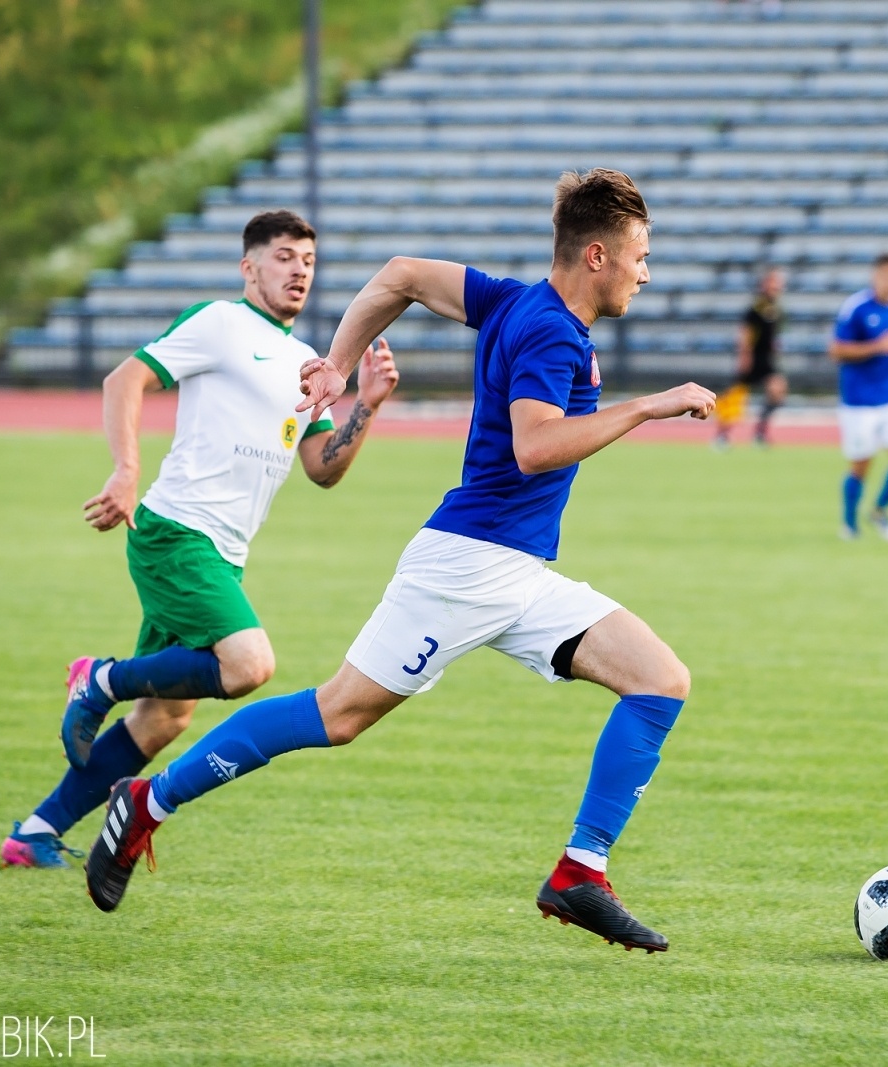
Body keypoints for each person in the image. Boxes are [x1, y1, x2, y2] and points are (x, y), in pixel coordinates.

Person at [81, 170, 716, 955]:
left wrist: (339, 364)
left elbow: (402, 276)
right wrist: (650, 405)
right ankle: (146, 801)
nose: (645, 272)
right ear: (596, 256)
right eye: (640, 256)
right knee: (335, 714)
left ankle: (580, 871)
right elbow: (535, 446)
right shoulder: (549, 329)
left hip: (517, 573)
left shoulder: (512, 299)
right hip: (462, 570)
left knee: (661, 680)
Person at [0, 210, 399, 869]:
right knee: (250, 664)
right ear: (249, 268)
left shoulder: (310, 364)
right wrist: (127, 469)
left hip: (221, 555)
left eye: (308, 259)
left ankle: (35, 831)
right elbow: (124, 378)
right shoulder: (219, 322)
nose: (299, 269)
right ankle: (100, 678)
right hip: (176, 533)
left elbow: (323, 467)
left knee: (164, 719)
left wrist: (368, 405)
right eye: (283, 256)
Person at [830, 253, 888, 542]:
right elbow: (837, 350)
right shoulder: (856, 307)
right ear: (876, 276)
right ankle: (849, 523)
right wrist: (874, 347)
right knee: (861, 464)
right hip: (859, 400)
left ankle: (879, 510)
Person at [713, 267, 787, 448]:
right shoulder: (756, 309)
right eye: (774, 282)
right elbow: (745, 334)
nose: (777, 286)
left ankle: (760, 433)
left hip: (766, 360)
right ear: (765, 285)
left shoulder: (775, 309)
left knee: (777, 390)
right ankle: (722, 435)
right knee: (736, 398)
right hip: (753, 359)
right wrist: (744, 357)